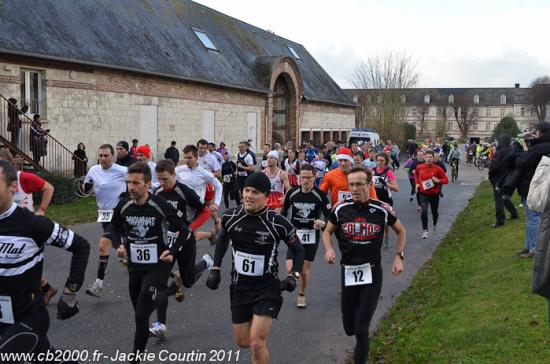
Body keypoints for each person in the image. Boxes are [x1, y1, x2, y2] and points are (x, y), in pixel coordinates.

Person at [206, 172, 305, 364]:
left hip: (267, 288)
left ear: (267, 196)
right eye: (246, 190)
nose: (249, 195)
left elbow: (299, 250)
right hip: (240, 287)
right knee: (243, 341)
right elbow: (223, 239)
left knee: (257, 343)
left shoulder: (278, 223)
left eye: (255, 192)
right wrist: (216, 268)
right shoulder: (230, 217)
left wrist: (294, 275)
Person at [0, 159, 90, 361]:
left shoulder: (33, 224)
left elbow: (81, 246)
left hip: (28, 317)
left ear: (13, 186)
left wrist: (70, 292)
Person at [323, 165, 406, 364]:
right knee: (349, 327)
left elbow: (401, 231)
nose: (354, 189)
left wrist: (398, 257)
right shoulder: (341, 208)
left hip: (372, 273)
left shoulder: (382, 209)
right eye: (351, 184)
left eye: (359, 184)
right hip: (348, 272)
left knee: (361, 329)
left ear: (369, 185)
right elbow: (327, 231)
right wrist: (329, 249)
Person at [113, 162, 193, 363]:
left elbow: (184, 230)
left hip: (158, 264)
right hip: (135, 267)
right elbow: (112, 227)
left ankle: (135, 360)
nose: (131, 187)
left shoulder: (160, 205)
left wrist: (172, 251)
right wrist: (118, 245)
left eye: (136, 183)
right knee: (140, 317)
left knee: (141, 315)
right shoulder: (123, 204)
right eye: (128, 182)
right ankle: (172, 289)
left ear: (148, 184)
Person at [149, 160, 213, 338]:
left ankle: (205, 262)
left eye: (165, 179)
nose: (162, 183)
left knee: (188, 281)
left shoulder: (185, 192)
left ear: (174, 175)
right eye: (159, 179)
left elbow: (205, 212)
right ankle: (161, 325)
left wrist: (190, 229)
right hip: (167, 242)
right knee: (160, 281)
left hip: (185, 241)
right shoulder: (157, 192)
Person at [0, 149, 58, 304]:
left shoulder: (23, 178)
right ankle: (45, 290)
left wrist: (42, 210)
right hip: (5, 228)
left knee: (22, 265)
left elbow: (49, 188)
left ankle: (32, 298)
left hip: (25, 230)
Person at [282, 164, 330, 308]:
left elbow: (330, 217)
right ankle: (293, 278)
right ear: (299, 178)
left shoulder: (320, 195)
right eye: (302, 177)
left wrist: (322, 223)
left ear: (314, 178)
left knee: (303, 270)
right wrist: (284, 229)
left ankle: (301, 295)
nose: (305, 181)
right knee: (290, 267)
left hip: (311, 235)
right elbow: (284, 213)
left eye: (308, 178)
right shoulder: (292, 193)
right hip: (295, 234)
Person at [84, 144, 128, 297]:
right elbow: (86, 188)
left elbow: (138, 182)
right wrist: (87, 187)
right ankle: (128, 254)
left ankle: (98, 285)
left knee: (103, 245)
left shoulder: (122, 171)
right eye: (100, 156)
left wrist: (127, 196)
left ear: (113, 156)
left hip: (119, 213)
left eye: (106, 156)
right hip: (103, 214)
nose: (102, 159)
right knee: (117, 244)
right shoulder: (93, 170)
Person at [505, 122, 550, 258]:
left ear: (539, 133)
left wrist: (524, 151)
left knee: (533, 218)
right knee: (534, 218)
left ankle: (534, 249)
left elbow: (521, 162)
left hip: (533, 187)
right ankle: (528, 246)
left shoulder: (537, 148)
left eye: (535, 132)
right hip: (544, 186)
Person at [176, 144, 222, 227]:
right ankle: (210, 235)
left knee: (187, 232)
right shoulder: (179, 170)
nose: (187, 160)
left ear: (196, 158)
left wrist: (216, 204)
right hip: (181, 205)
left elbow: (218, 185)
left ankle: (214, 227)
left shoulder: (204, 173)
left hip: (196, 206)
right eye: (185, 157)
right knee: (183, 233)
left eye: (190, 158)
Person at [414, 150, 448, 239]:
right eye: (427, 157)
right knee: (424, 211)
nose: (428, 159)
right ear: (424, 157)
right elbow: (416, 175)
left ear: (433, 158)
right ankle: (425, 231)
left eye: (430, 157)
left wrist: (439, 180)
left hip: (434, 194)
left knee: (434, 212)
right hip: (423, 193)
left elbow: (446, 179)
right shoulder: (419, 167)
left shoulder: (438, 168)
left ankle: (434, 224)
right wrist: (417, 183)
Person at [488, 134, 519, 228]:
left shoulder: (499, 152)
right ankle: (514, 214)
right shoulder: (512, 151)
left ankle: (500, 220)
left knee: (499, 199)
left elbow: (494, 167)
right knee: (505, 197)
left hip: (499, 179)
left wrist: (490, 176)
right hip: (510, 179)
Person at [372, 153, 399, 248]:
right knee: (374, 220)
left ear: (386, 161)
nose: (379, 162)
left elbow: (396, 188)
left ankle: (386, 237)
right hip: (374, 199)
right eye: (378, 160)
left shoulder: (388, 172)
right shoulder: (372, 171)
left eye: (382, 160)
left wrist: (386, 184)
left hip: (386, 200)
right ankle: (376, 239)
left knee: (385, 223)